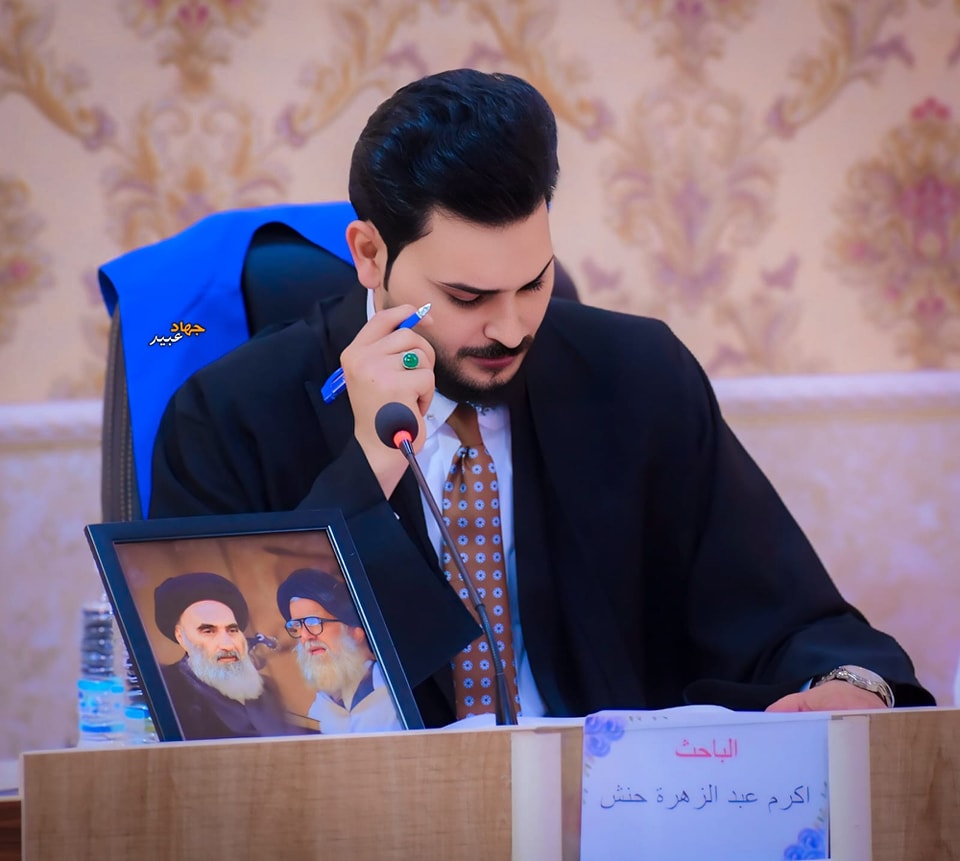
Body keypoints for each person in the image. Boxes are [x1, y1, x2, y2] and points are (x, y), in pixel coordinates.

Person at [150, 69, 934, 727]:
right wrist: (365, 470)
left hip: (616, 814)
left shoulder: (637, 377)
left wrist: (852, 684)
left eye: (533, 282)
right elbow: (226, 700)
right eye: (467, 296)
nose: (511, 326)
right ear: (369, 253)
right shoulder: (227, 416)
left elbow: (784, 615)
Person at [154, 571, 300, 739]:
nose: (227, 644)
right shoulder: (166, 688)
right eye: (208, 631)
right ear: (181, 637)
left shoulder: (266, 689)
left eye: (232, 630)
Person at [276, 567, 402, 733]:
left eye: (314, 622)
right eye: (297, 626)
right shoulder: (319, 710)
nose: (305, 636)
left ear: (356, 631)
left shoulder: (396, 689)